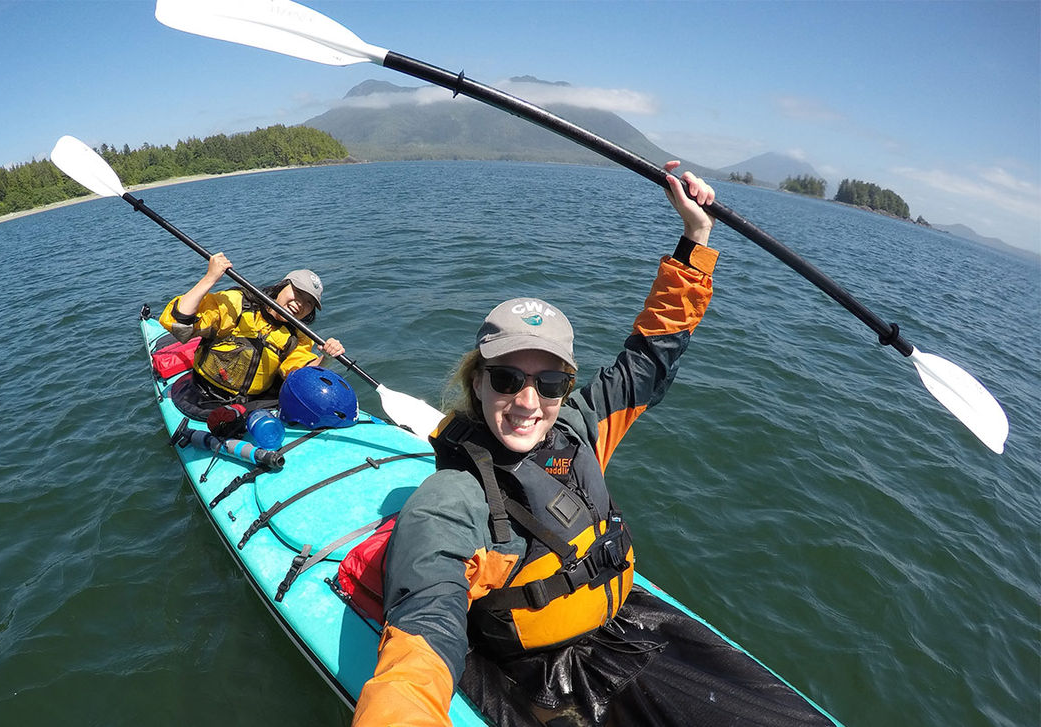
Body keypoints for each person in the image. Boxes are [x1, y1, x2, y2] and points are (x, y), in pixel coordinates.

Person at [352, 163, 834, 726]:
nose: (528, 402)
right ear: (477, 383)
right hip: (539, 679)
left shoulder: (578, 428)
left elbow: (648, 359)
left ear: (566, 387)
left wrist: (696, 238)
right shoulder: (451, 499)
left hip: (623, 626)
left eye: (550, 383)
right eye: (507, 379)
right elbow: (423, 634)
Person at [158, 252, 345, 419]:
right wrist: (210, 277)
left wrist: (326, 358)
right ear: (282, 286)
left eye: (309, 303)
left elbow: (300, 375)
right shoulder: (238, 304)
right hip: (203, 396)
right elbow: (179, 322)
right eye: (297, 293)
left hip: (252, 405)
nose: (300, 304)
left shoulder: (298, 336)